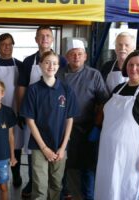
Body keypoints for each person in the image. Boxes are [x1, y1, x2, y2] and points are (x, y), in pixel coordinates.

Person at [94, 50, 139, 200]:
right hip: (108, 156)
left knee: (129, 192)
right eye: (130, 64)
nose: (133, 68)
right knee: (108, 191)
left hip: (133, 160)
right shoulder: (119, 88)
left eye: (138, 65)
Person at [20, 51, 78, 200]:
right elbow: (30, 121)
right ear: (40, 65)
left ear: (58, 66)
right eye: (47, 62)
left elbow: (69, 120)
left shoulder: (66, 90)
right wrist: (44, 148)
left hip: (60, 146)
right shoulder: (33, 90)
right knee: (39, 187)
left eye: (54, 63)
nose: (51, 66)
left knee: (56, 185)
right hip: (39, 146)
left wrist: (63, 147)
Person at [17, 25, 67, 197]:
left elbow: (64, 88)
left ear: (52, 39)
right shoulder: (28, 61)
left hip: (57, 117)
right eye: (41, 36)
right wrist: (21, 113)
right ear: (36, 39)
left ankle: (57, 187)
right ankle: (33, 182)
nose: (45, 38)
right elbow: (22, 87)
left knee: (57, 168)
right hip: (33, 115)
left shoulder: (63, 61)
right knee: (34, 153)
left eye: (48, 35)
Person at [57, 38, 109, 200]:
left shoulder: (94, 75)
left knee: (88, 167)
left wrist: (97, 126)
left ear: (85, 56)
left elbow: (103, 102)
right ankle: (63, 193)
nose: (76, 57)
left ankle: (89, 196)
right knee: (61, 164)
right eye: (72, 54)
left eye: (79, 54)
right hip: (63, 128)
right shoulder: (59, 74)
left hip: (87, 128)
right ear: (67, 56)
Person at [0, 33, 24, 187]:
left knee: (16, 143)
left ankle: (16, 174)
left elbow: (23, 89)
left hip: (15, 108)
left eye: (10, 44)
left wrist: (22, 111)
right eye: (3, 44)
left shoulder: (21, 66)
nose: (7, 47)